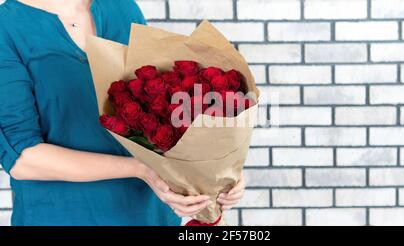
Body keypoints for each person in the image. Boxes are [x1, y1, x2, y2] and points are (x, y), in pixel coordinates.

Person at [0, 0, 245, 226]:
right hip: (62, 215)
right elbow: (23, 159)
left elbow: (161, 108)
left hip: (149, 215)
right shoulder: (7, 27)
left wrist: (216, 172)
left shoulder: (122, 7)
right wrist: (140, 169)